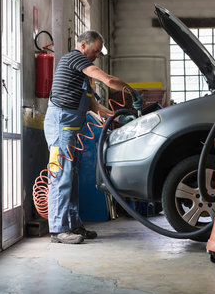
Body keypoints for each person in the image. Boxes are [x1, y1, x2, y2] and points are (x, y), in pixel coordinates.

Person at [44, 30, 143, 244]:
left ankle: (73, 225)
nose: (96, 56)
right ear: (82, 45)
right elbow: (107, 80)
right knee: (61, 174)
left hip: (70, 127)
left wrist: (120, 118)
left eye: (98, 52)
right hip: (61, 125)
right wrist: (132, 91)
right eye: (95, 51)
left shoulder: (80, 76)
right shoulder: (75, 58)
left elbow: (94, 106)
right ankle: (59, 230)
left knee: (71, 174)